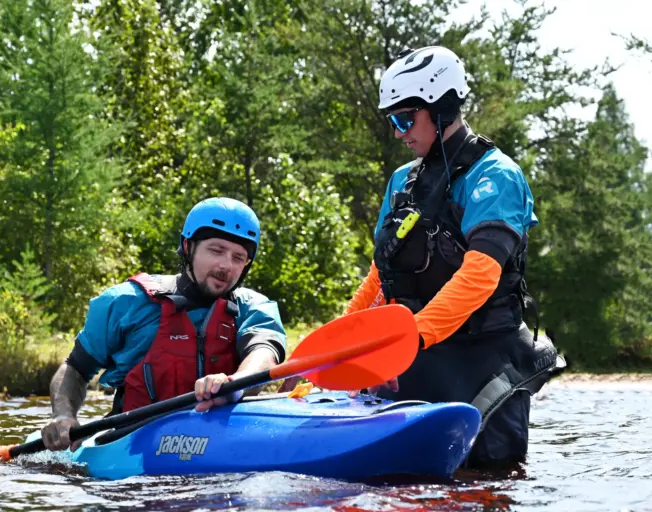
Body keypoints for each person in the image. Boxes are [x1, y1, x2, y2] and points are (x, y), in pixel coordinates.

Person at [344, 46, 564, 468]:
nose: (398, 132)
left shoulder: (495, 176)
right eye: (392, 120)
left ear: (442, 108)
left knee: (487, 481)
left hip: (482, 358)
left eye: (404, 118)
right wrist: (338, 344)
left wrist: (408, 341)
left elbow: (478, 278)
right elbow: (380, 277)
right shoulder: (401, 182)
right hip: (417, 353)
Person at [41, 197, 287, 451]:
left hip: (223, 440)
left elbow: (264, 352)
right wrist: (63, 415)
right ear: (188, 246)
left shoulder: (254, 308)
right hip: (131, 445)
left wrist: (234, 384)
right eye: (216, 250)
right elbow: (75, 368)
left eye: (239, 257)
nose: (226, 265)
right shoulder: (126, 302)